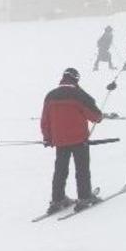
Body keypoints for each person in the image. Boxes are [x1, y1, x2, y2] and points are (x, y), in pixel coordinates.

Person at [40, 68, 104, 214]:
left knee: (60, 170)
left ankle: (58, 199)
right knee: (82, 169)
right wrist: (99, 117)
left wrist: (47, 138)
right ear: (76, 79)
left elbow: (45, 120)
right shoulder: (79, 94)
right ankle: (84, 197)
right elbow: (95, 116)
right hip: (79, 139)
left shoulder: (50, 96)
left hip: (59, 140)